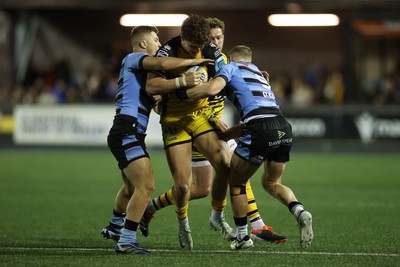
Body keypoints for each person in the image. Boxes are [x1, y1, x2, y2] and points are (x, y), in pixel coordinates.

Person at [140, 17, 286, 244]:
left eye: (219, 38)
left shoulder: (220, 58)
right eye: (212, 38)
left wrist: (254, 78)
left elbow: (229, 84)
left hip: (207, 123)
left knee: (217, 179)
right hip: (196, 121)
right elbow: (157, 89)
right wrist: (173, 92)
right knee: (192, 185)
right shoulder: (168, 52)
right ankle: (247, 224)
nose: (215, 42)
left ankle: (242, 222)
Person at [181, 45, 314, 250]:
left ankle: (243, 237)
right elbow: (255, 118)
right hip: (283, 128)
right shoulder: (259, 73)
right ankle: (299, 211)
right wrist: (226, 135)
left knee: (236, 182)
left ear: (232, 58)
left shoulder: (231, 67)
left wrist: (184, 92)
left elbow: (211, 89)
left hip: (260, 129)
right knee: (272, 182)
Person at [100, 25, 213, 255]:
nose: (159, 44)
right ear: (143, 44)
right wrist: (192, 63)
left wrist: (162, 100)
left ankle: (115, 227)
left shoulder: (138, 72)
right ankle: (126, 241)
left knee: (130, 187)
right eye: (155, 39)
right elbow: (162, 64)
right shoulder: (135, 57)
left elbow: (156, 94)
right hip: (127, 130)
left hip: (127, 130)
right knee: (146, 186)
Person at [144, 14, 232, 251]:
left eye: (200, 47)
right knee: (183, 186)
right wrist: (182, 82)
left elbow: (228, 75)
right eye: (193, 46)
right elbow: (151, 85)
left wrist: (253, 78)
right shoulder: (166, 52)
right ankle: (183, 223)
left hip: (200, 116)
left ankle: (218, 215)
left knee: (225, 164)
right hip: (174, 120)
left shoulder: (210, 50)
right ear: (182, 38)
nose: (197, 51)